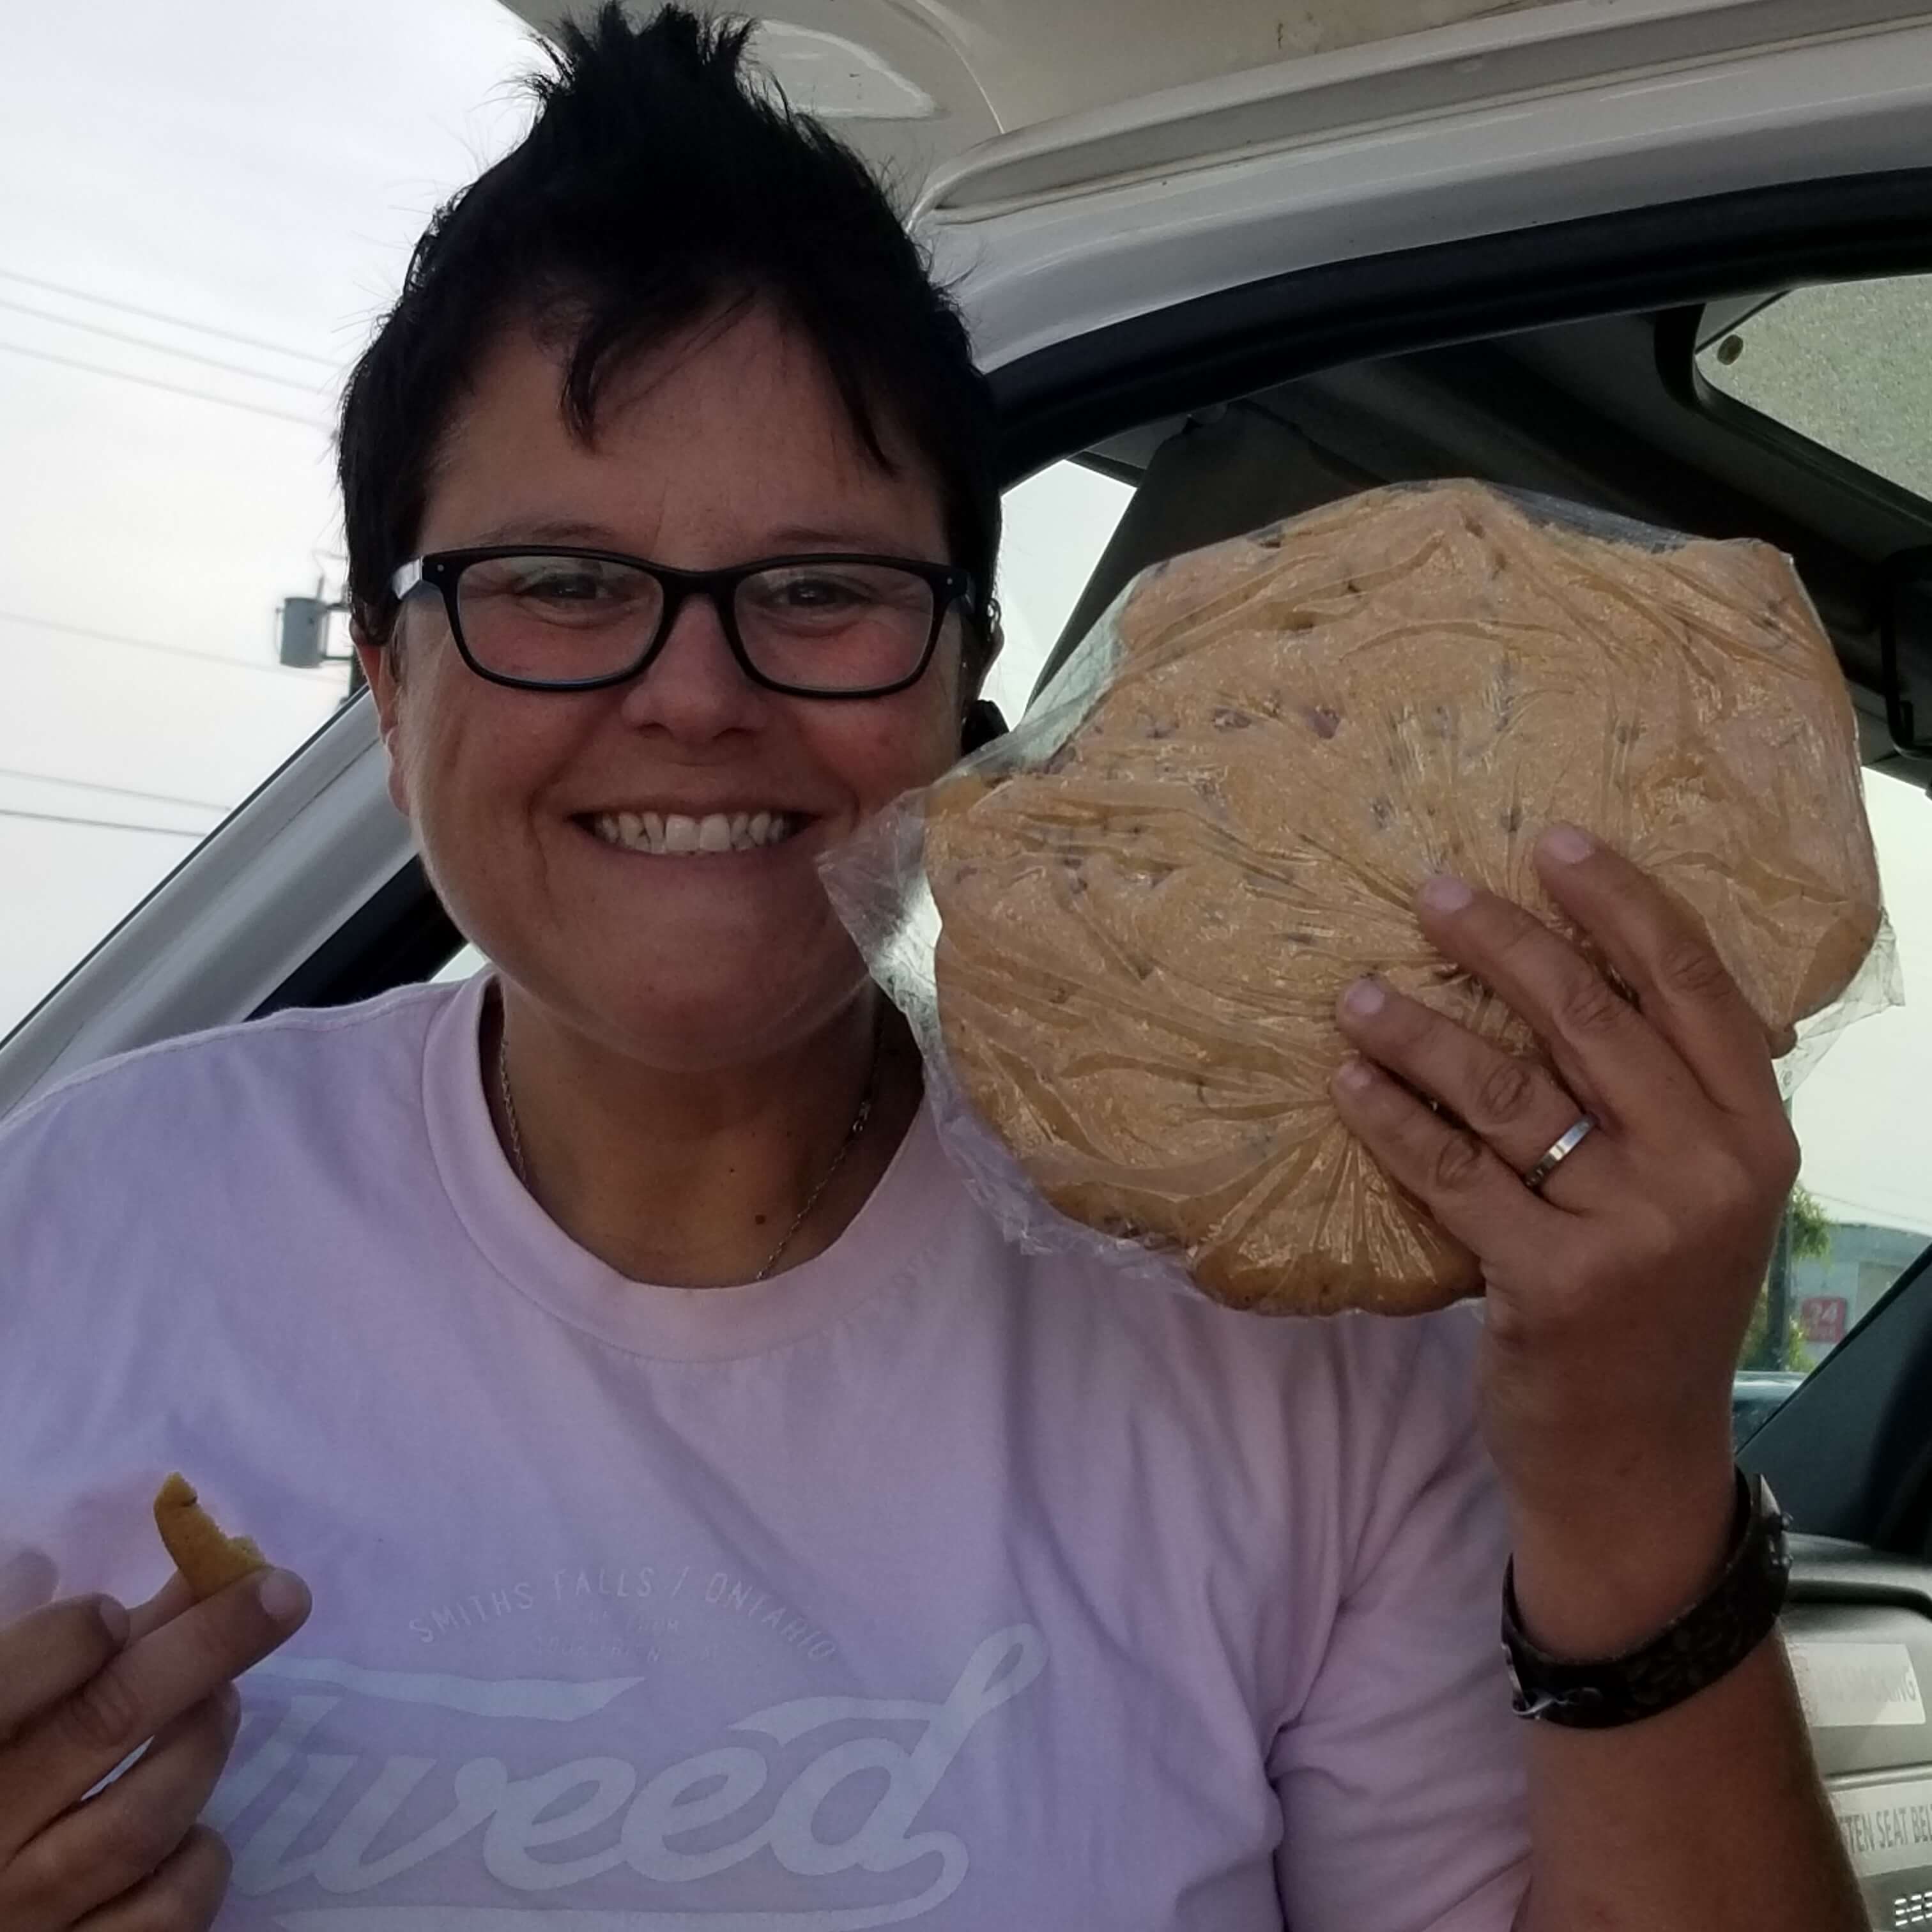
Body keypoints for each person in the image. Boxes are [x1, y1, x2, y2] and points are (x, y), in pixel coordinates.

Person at [0, 8, 1864, 1929]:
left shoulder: (1300, 1350)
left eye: (819, 592)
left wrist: (1636, 1477)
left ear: (966, 693)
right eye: (559, 586)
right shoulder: (86, 1223)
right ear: (390, 687)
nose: (698, 697)